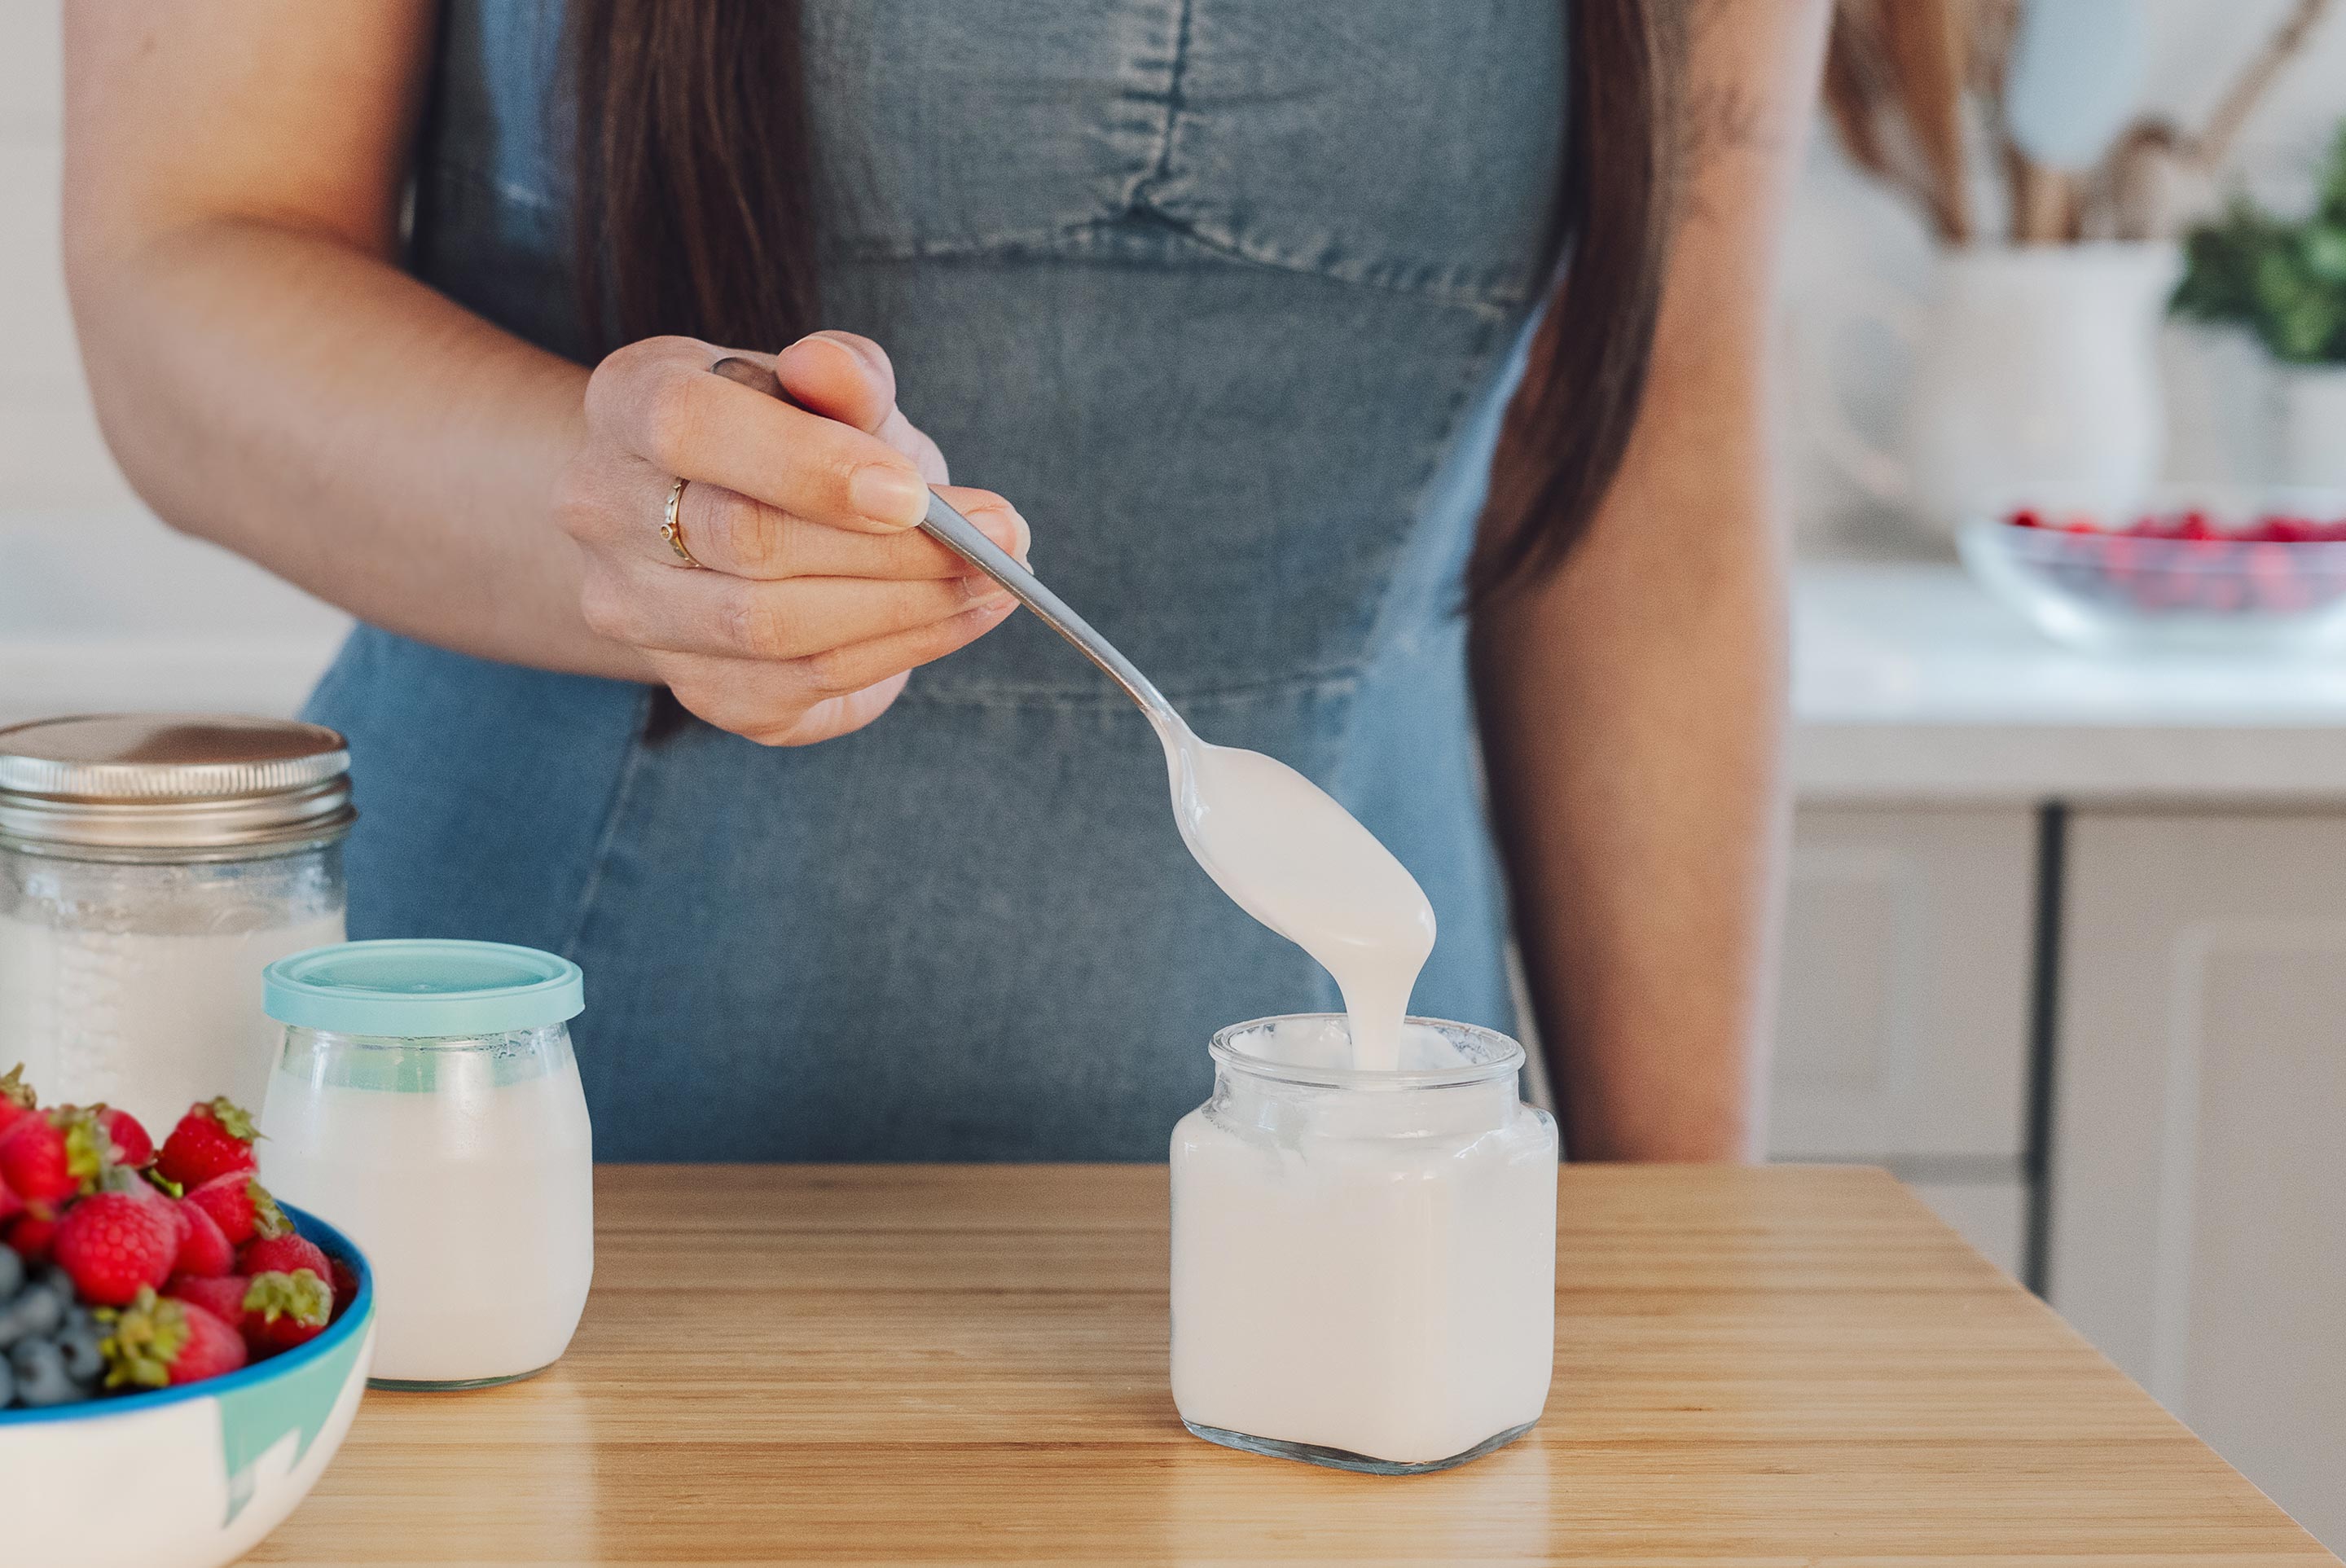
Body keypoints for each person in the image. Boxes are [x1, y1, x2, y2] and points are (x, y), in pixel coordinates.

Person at [61, 2, 1827, 1162]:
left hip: (1377, 1168)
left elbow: (1658, 453)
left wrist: (1687, 1261)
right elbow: (177, 267)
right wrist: (608, 503)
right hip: (511, 1140)